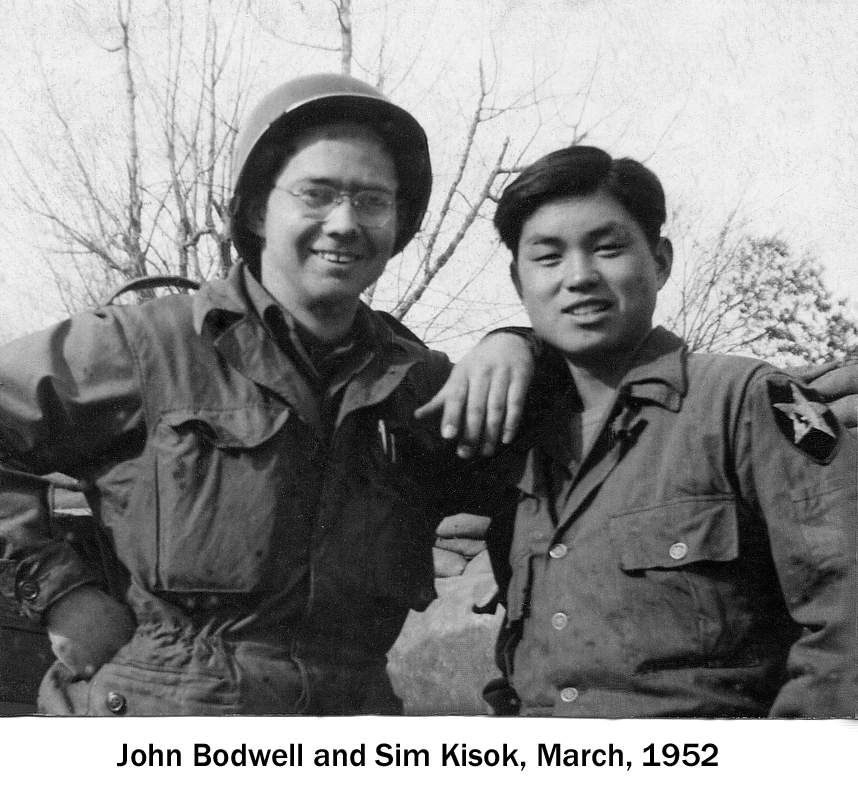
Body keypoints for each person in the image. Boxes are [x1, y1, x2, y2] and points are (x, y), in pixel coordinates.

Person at [0, 73, 535, 716]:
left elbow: (560, 481)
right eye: (317, 194)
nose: (345, 223)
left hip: (345, 735)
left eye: (372, 201)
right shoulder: (148, 346)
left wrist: (518, 341)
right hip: (150, 726)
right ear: (257, 210)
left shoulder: (416, 387)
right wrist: (61, 591)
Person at [482, 145, 857, 718]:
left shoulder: (743, 401)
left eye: (607, 249)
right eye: (548, 258)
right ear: (518, 280)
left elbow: (846, 614)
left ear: (659, 262)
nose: (579, 277)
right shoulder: (515, 432)